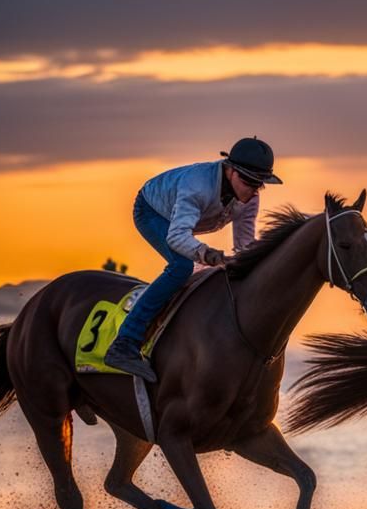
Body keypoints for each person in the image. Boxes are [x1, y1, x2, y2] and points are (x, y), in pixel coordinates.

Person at [103, 137, 282, 382]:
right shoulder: (197, 186)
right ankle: (125, 342)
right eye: (248, 181)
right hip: (151, 211)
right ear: (229, 170)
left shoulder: (249, 199)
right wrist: (207, 254)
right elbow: (177, 237)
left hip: (183, 221)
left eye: (259, 184)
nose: (253, 190)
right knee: (182, 266)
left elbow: (244, 246)